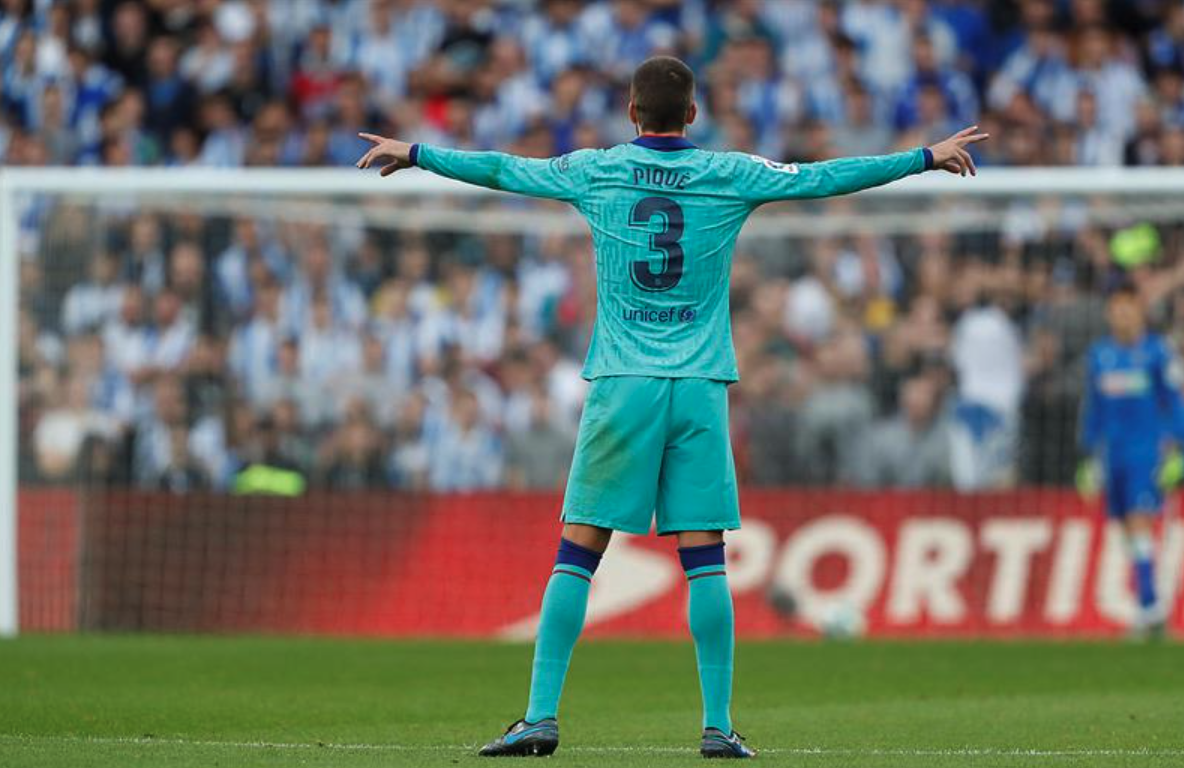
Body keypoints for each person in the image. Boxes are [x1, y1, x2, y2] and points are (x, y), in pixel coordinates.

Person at [356, 55, 987, 759]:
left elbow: (504, 168)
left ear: (631, 112)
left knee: (577, 553)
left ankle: (539, 716)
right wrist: (924, 156)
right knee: (704, 559)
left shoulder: (595, 170)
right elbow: (822, 178)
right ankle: (717, 726)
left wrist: (416, 152)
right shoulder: (730, 173)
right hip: (698, 388)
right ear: (693, 114)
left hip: (623, 383)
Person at [1078, 282, 1184, 639]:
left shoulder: (1157, 353)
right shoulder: (1099, 355)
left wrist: (1178, 448)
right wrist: (1089, 455)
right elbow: (1094, 410)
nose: (1121, 314)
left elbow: (1176, 404)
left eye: (1128, 307)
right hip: (1112, 455)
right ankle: (1150, 605)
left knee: (1139, 525)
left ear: (1139, 311)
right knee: (1127, 532)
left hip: (1145, 452)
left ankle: (1149, 608)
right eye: (1116, 308)